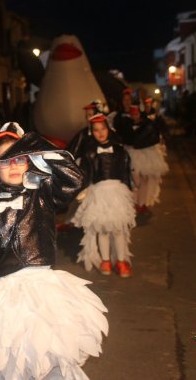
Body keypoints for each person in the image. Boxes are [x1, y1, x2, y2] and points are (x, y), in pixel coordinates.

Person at [0, 122, 108, 380]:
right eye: (5, 161)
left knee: (52, 357)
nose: (14, 165)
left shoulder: (43, 194)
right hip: (6, 298)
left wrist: (36, 147)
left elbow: (74, 177)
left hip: (45, 292)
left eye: (19, 158)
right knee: (13, 363)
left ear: (29, 160)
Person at [71, 113, 135, 277]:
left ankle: (121, 261)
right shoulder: (89, 152)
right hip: (99, 193)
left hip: (117, 192)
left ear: (109, 128)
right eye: (96, 130)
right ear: (92, 132)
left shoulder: (120, 150)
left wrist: (129, 189)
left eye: (103, 129)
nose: (100, 133)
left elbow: (126, 171)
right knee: (102, 229)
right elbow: (86, 174)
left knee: (119, 228)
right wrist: (84, 190)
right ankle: (105, 260)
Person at [126, 105, 169, 213]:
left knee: (145, 179)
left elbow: (154, 138)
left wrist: (137, 143)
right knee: (135, 180)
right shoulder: (126, 124)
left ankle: (142, 202)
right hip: (132, 153)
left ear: (140, 113)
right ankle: (136, 201)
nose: (134, 116)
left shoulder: (148, 123)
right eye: (132, 114)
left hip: (146, 154)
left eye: (136, 113)